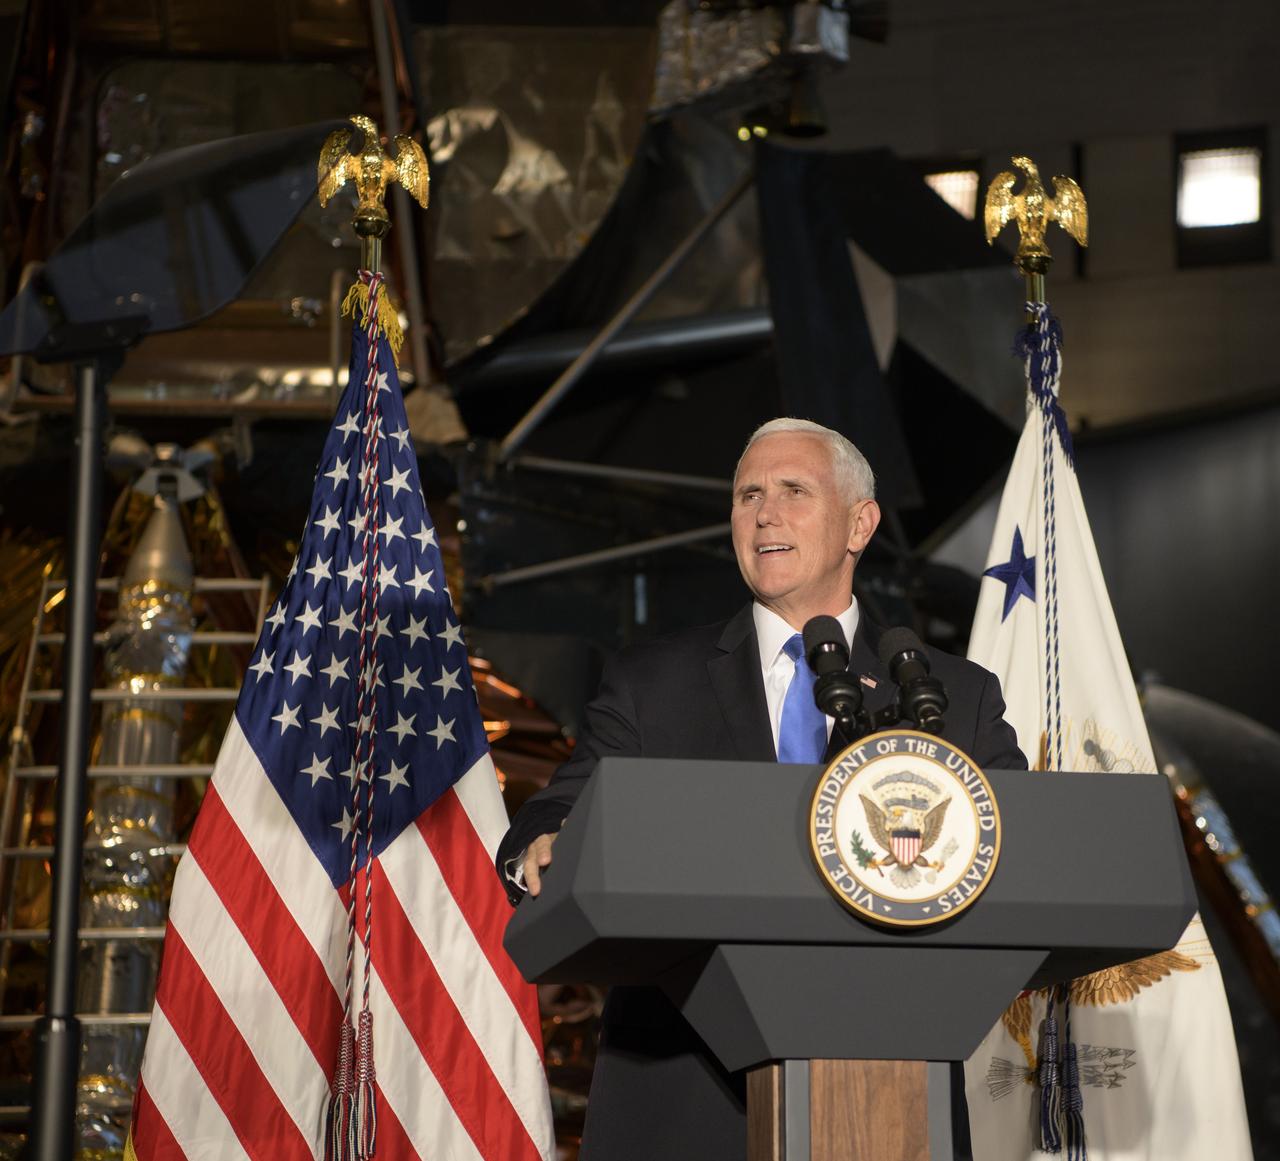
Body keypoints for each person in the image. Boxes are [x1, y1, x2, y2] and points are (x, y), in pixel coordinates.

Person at [496, 417, 1027, 1160]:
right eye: (748, 494)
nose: (764, 512)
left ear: (860, 523)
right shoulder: (654, 682)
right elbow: (555, 811)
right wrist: (541, 848)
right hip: (682, 1097)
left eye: (793, 491)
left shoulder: (948, 694)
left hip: (890, 1102)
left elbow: (1024, 849)